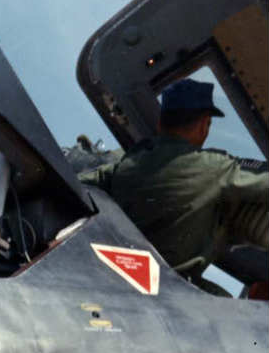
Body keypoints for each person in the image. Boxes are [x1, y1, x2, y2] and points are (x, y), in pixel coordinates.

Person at [79, 78, 269, 293]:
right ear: (203, 125)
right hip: (172, 289)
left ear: (161, 124)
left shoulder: (128, 164)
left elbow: (83, 182)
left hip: (119, 276)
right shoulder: (214, 167)